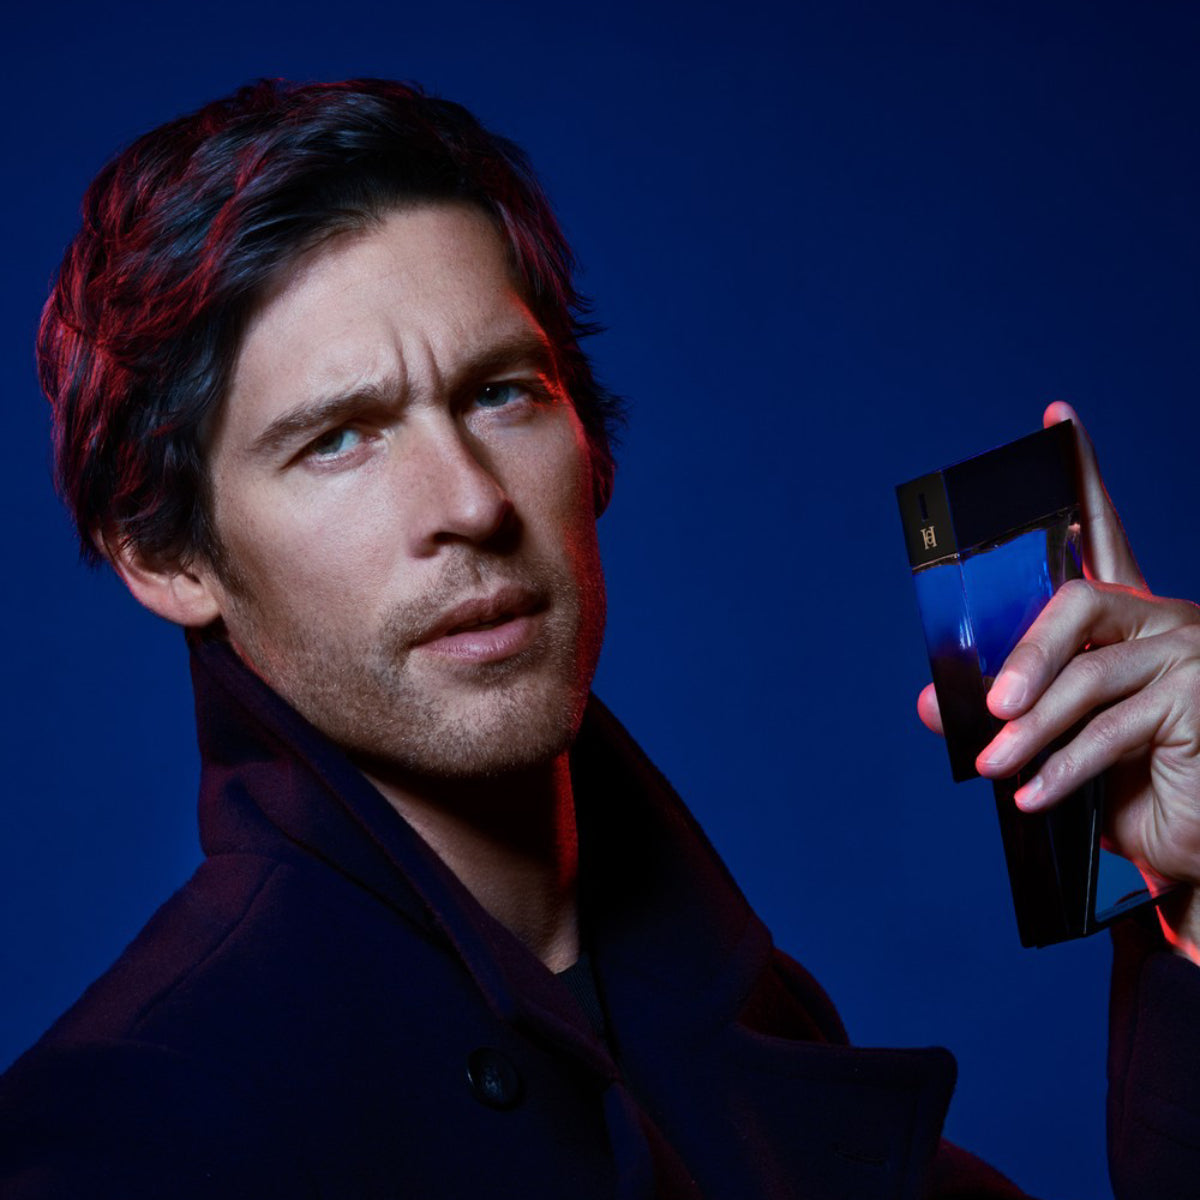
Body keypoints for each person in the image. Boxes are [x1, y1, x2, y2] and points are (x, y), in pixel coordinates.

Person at [2, 77, 1198, 1199]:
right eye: (338, 440)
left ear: (591, 443)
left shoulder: (747, 1027)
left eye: (500, 392)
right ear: (167, 558)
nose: (471, 503)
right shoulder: (123, 1132)